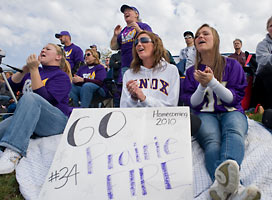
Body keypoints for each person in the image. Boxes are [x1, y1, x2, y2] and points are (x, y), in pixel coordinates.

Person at [181, 24, 261, 200]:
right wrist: (202, 86)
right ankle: (236, 189)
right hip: (205, 113)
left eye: (205, 33)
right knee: (212, 140)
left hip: (230, 110)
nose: (200, 36)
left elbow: (232, 100)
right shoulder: (190, 71)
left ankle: (221, 186)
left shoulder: (232, 65)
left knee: (233, 131)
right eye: (197, 35)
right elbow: (192, 102)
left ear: (215, 39)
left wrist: (213, 83)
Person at [0, 43, 72, 174]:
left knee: (30, 97)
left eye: (48, 49)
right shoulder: (32, 72)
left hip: (54, 121)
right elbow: (9, 86)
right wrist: (24, 70)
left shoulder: (61, 76)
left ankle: (13, 152)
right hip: (31, 119)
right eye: (42, 48)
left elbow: (44, 99)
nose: (43, 50)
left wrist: (34, 71)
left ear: (58, 57)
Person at [120, 30, 180, 107]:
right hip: (136, 118)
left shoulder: (171, 70)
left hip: (162, 118)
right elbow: (123, 108)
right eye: (136, 42)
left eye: (144, 40)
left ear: (155, 45)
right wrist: (133, 99)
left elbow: (172, 106)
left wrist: (144, 99)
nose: (139, 44)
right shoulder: (129, 74)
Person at [110, 5, 152, 83]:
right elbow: (113, 47)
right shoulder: (122, 31)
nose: (126, 12)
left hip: (141, 63)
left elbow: (152, 39)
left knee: (142, 87)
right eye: (124, 12)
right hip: (125, 65)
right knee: (128, 90)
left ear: (136, 14)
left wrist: (139, 29)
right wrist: (115, 35)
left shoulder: (143, 26)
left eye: (129, 11)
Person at [252, 16, 272, 110]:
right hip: (264, 79)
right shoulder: (262, 45)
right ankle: (264, 107)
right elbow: (264, 62)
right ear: (267, 29)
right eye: (271, 25)